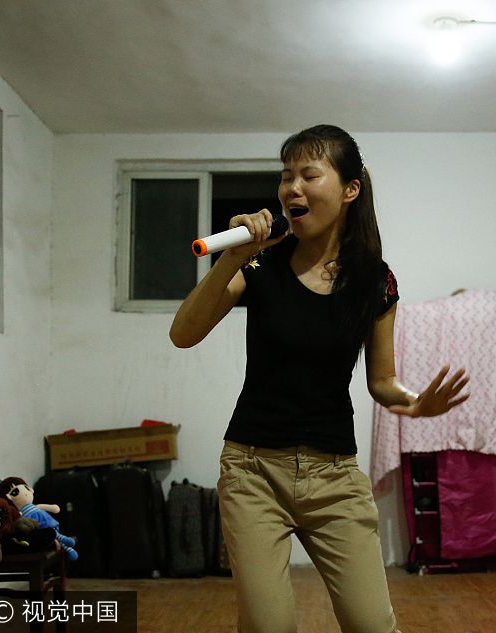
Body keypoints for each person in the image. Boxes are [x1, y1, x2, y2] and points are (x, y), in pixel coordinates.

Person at [170, 124, 468, 633]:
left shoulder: (374, 280)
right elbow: (184, 334)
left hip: (335, 477)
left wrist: (416, 402)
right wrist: (232, 257)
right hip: (253, 473)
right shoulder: (259, 262)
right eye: (286, 176)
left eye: (309, 175)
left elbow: (383, 380)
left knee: (372, 626)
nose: (292, 188)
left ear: (350, 189)